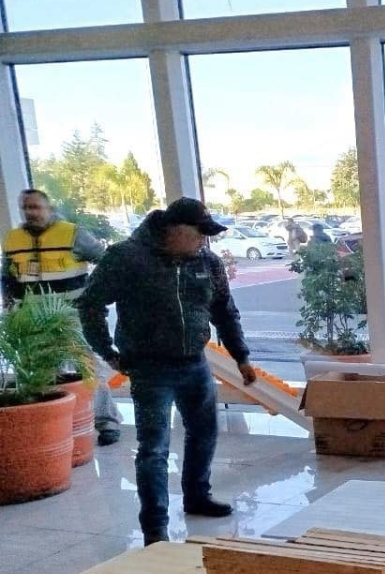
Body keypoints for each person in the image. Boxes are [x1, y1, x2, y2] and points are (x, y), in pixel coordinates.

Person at [76, 197, 257, 547]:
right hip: (149, 368)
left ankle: (196, 496)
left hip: (194, 363)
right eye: (198, 234)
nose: (204, 242)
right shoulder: (127, 258)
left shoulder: (207, 262)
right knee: (154, 449)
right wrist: (107, 351)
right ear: (174, 230)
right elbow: (90, 303)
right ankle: (155, 526)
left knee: (204, 434)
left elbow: (225, 312)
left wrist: (241, 357)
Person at [2, 188, 123, 446]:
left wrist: (94, 294)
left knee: (87, 366)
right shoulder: (13, 239)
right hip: (34, 318)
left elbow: (106, 261)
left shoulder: (72, 233)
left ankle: (107, 422)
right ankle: (58, 424)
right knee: (43, 370)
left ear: (49, 208)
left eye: (36, 207)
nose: (31, 212)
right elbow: (8, 274)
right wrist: (9, 301)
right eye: (26, 207)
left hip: (71, 314)